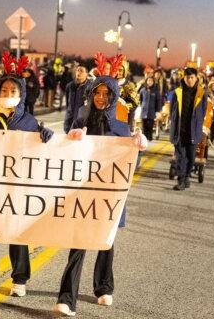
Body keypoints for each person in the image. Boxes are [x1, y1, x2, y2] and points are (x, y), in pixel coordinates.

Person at [54, 74, 147, 317]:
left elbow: (130, 165)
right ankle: (66, 298)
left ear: (113, 96)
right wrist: (73, 138)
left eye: (106, 94)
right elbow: (68, 150)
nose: (101, 97)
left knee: (106, 242)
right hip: (83, 190)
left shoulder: (120, 122)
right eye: (97, 92)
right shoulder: (82, 116)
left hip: (109, 194)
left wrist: (138, 147)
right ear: (92, 93)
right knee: (78, 243)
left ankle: (103, 287)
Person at [0, 52, 54, 309]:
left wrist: (45, 135)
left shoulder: (29, 122)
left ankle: (20, 278)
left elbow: (39, 154)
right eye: (4, 89)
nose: (8, 93)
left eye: (12, 89)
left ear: (21, 95)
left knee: (18, 234)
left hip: (18, 188)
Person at [169, 67, 207, 190]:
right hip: (180, 130)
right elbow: (172, 110)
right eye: (187, 77)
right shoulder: (177, 92)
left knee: (191, 157)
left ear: (196, 78)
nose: (190, 80)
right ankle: (181, 180)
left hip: (193, 131)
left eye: (192, 77)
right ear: (184, 78)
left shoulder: (201, 93)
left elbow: (203, 111)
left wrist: (199, 124)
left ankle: (186, 178)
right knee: (181, 157)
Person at [64, 65, 90, 133]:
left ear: (86, 74)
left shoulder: (90, 87)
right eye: (77, 70)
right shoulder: (70, 86)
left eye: (81, 71)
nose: (79, 72)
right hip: (69, 121)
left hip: (82, 123)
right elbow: (67, 104)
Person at [115, 60, 140, 132]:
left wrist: (123, 107)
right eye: (116, 69)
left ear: (125, 71)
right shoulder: (109, 83)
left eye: (120, 70)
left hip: (125, 121)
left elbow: (135, 103)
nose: (118, 72)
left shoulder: (130, 85)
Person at [139, 76, 162, 141]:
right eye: (148, 81)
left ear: (153, 82)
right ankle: (144, 138)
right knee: (144, 125)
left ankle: (149, 137)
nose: (149, 82)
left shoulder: (156, 91)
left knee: (150, 125)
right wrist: (142, 105)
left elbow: (158, 101)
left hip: (152, 111)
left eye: (151, 81)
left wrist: (158, 110)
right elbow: (140, 99)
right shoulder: (143, 90)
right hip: (144, 111)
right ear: (146, 81)